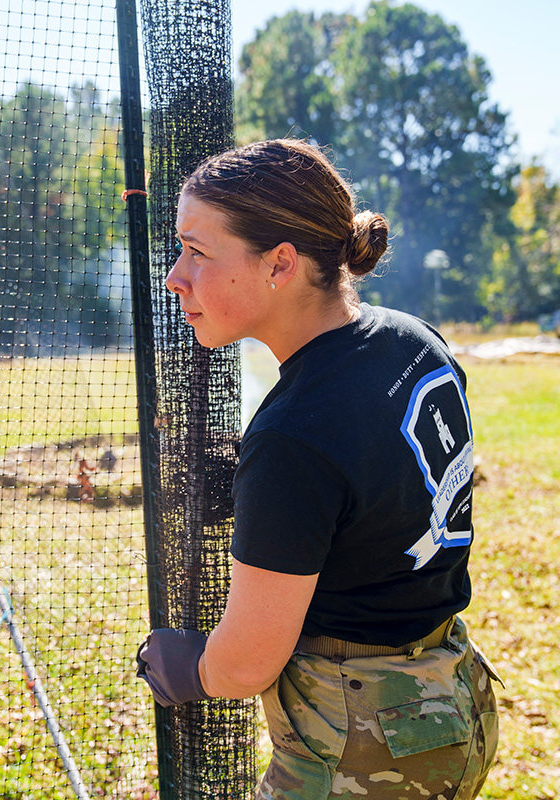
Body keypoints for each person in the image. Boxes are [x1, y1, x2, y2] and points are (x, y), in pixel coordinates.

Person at [136, 139, 502, 799]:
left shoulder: (292, 433)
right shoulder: (416, 339)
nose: (174, 276)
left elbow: (249, 661)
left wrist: (192, 667)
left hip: (366, 757)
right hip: (456, 704)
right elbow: (375, 484)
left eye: (197, 251)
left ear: (280, 264)